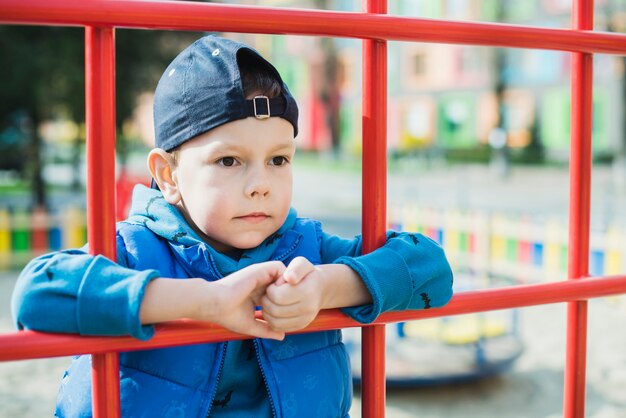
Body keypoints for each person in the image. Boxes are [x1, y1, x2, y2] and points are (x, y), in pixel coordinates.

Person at [11, 35, 453, 418]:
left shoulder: (306, 249)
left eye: (278, 159)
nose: (261, 185)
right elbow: (37, 293)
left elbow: (432, 269)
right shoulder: (133, 249)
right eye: (229, 160)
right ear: (168, 176)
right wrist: (203, 301)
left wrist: (327, 288)